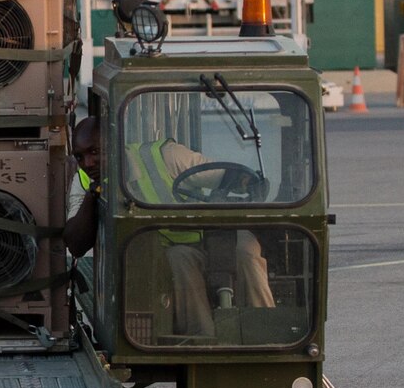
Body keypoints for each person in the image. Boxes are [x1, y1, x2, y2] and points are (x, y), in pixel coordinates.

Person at [63, 115, 273, 339]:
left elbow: (222, 176)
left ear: (115, 143)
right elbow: (76, 245)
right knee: (179, 259)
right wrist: (93, 194)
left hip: (214, 234)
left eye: (95, 152)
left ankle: (266, 329)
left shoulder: (165, 156)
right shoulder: (84, 181)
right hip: (169, 253)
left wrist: (247, 183)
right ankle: (204, 340)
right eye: (80, 157)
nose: (87, 163)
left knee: (245, 248)